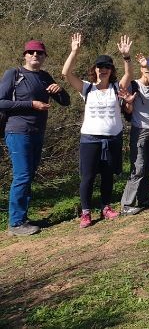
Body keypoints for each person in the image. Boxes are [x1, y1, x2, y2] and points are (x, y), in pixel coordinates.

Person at [61, 33, 133, 228]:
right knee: (88, 176)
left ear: (111, 70)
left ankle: (105, 207)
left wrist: (126, 57)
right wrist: (74, 51)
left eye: (107, 67)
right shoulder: (87, 88)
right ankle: (85, 212)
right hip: (90, 139)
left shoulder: (116, 88)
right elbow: (66, 74)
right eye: (100, 66)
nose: (104, 70)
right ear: (95, 69)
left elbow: (130, 75)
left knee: (108, 175)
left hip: (112, 139)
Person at [1, 40, 70, 235]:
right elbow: (1, 102)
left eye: (39, 53)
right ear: (25, 55)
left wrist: (60, 90)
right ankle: (15, 223)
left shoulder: (45, 77)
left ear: (44, 56)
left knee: (28, 175)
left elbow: (65, 102)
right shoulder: (14, 74)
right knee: (22, 175)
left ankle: (22, 218)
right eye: (31, 52)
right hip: (17, 131)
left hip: (37, 133)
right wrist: (31, 105)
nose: (35, 56)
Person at [120, 54, 149, 216]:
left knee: (148, 166)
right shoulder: (134, 85)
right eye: (146, 69)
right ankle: (127, 204)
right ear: (141, 69)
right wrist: (129, 103)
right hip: (140, 130)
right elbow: (126, 106)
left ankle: (143, 198)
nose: (148, 72)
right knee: (138, 167)